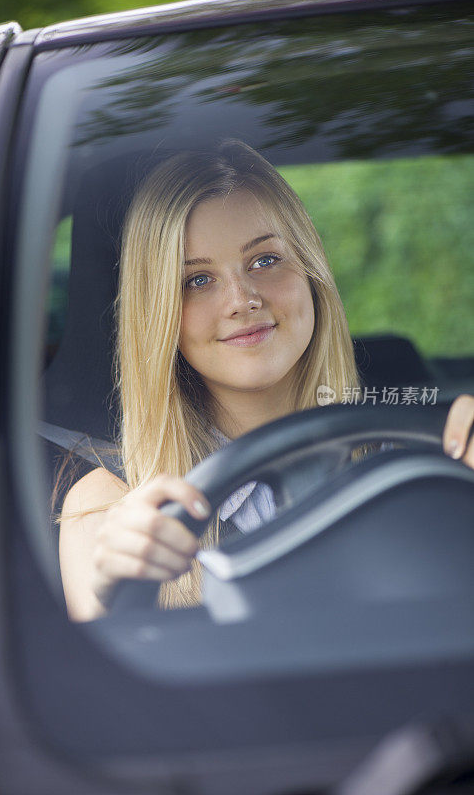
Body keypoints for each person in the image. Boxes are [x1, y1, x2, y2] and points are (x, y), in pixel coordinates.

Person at [59, 139, 474, 622]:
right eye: (196, 280)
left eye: (265, 260)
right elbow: (105, 693)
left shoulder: (433, 459)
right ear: (160, 317)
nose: (242, 299)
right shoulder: (112, 507)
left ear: (312, 274)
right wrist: (113, 591)